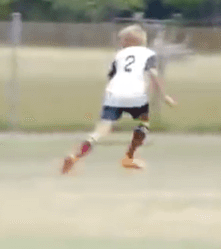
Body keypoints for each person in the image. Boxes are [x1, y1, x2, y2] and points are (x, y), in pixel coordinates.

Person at [61, 24, 175, 174]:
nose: (120, 43)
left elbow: (112, 75)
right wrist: (163, 95)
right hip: (135, 94)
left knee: (102, 129)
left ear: (129, 41)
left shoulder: (119, 55)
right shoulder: (148, 54)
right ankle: (129, 157)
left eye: (122, 40)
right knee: (143, 124)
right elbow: (153, 74)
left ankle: (75, 156)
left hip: (113, 93)